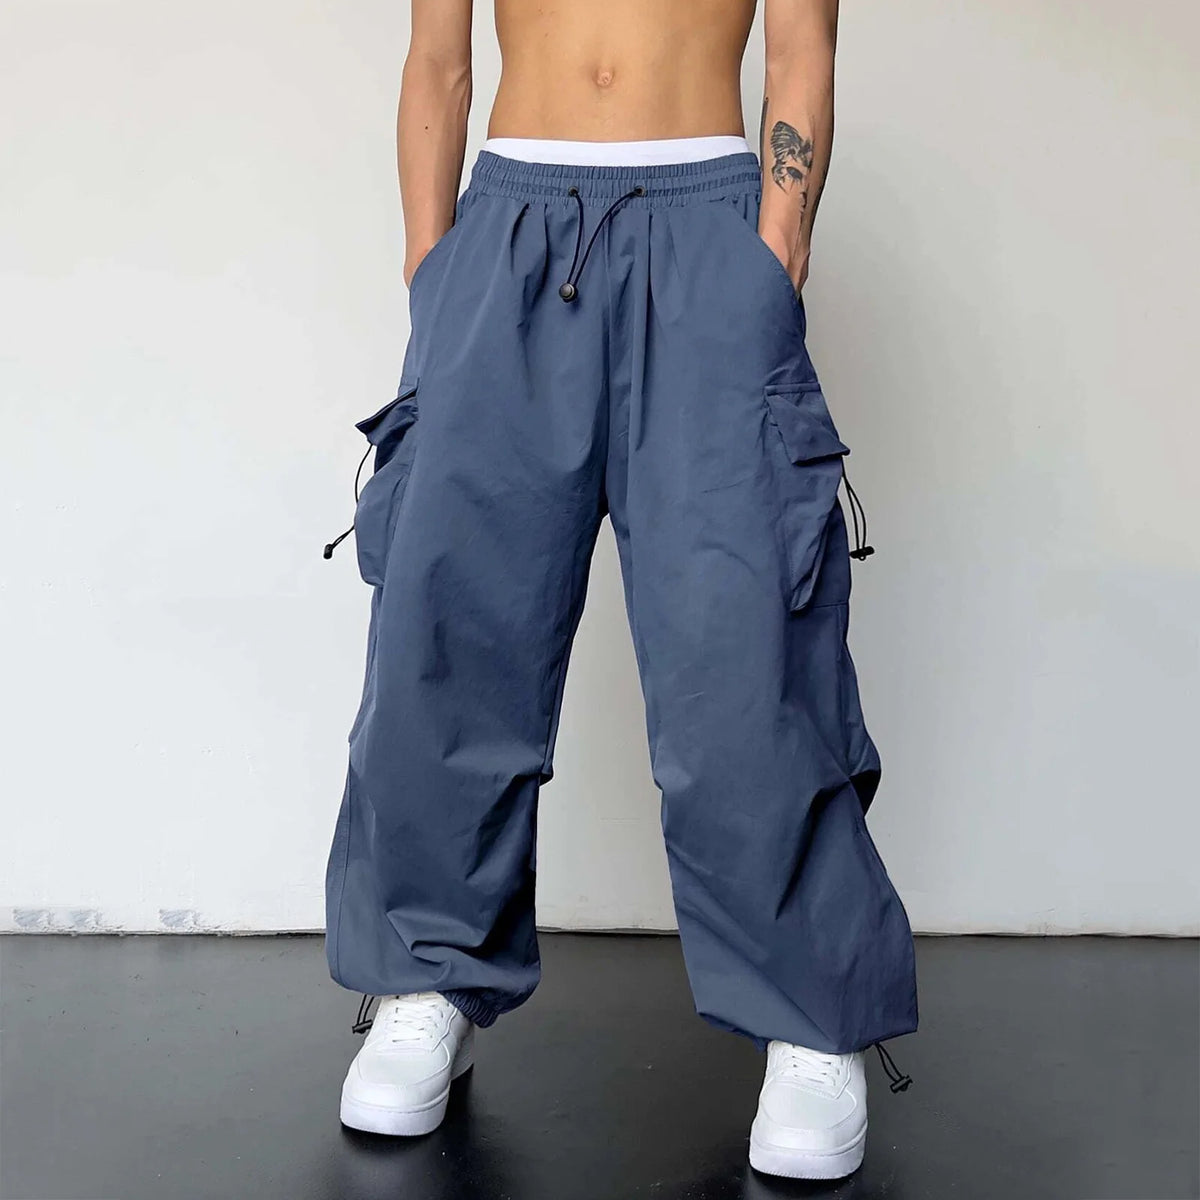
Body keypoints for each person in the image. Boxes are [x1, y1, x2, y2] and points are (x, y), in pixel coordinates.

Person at [321, 0, 917, 1180]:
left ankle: (810, 1015)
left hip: (708, 227)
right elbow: (438, 59)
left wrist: (774, 260)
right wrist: (434, 272)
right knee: (450, 627)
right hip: (508, 226)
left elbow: (802, 48)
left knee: (742, 649)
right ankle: (428, 977)